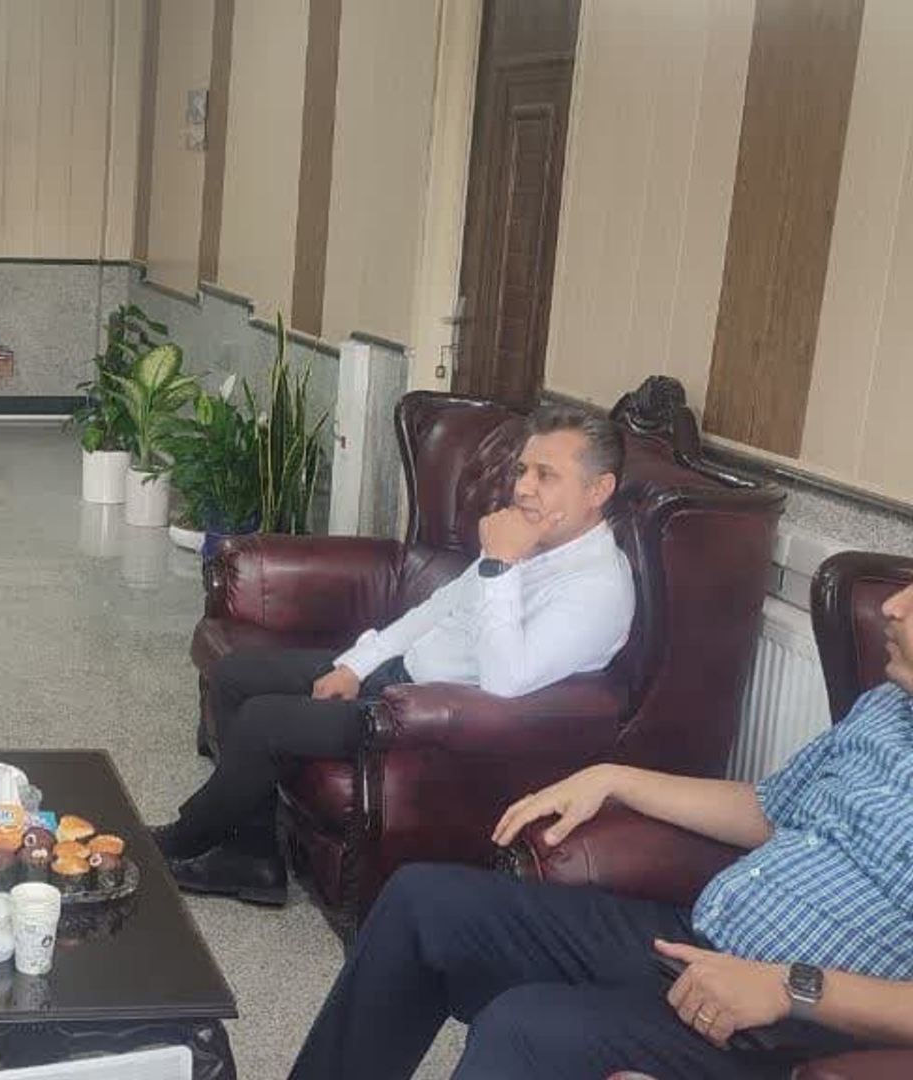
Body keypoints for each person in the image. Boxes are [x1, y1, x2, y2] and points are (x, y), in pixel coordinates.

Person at [285, 577, 913, 1079]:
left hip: (791, 1019)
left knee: (525, 1030)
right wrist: (617, 778)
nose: (891, 606)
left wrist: (790, 987)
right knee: (424, 904)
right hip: (698, 938)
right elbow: (770, 810)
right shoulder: (885, 707)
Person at [153, 403, 637, 905]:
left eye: (546, 475)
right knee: (238, 674)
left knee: (264, 720)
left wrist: (500, 567)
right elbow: (436, 608)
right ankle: (252, 858)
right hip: (396, 676)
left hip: (424, 719)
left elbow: (505, 681)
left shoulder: (596, 590)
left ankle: (181, 840)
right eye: (522, 470)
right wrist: (356, 664)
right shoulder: (532, 542)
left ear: (598, 490)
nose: (523, 489)